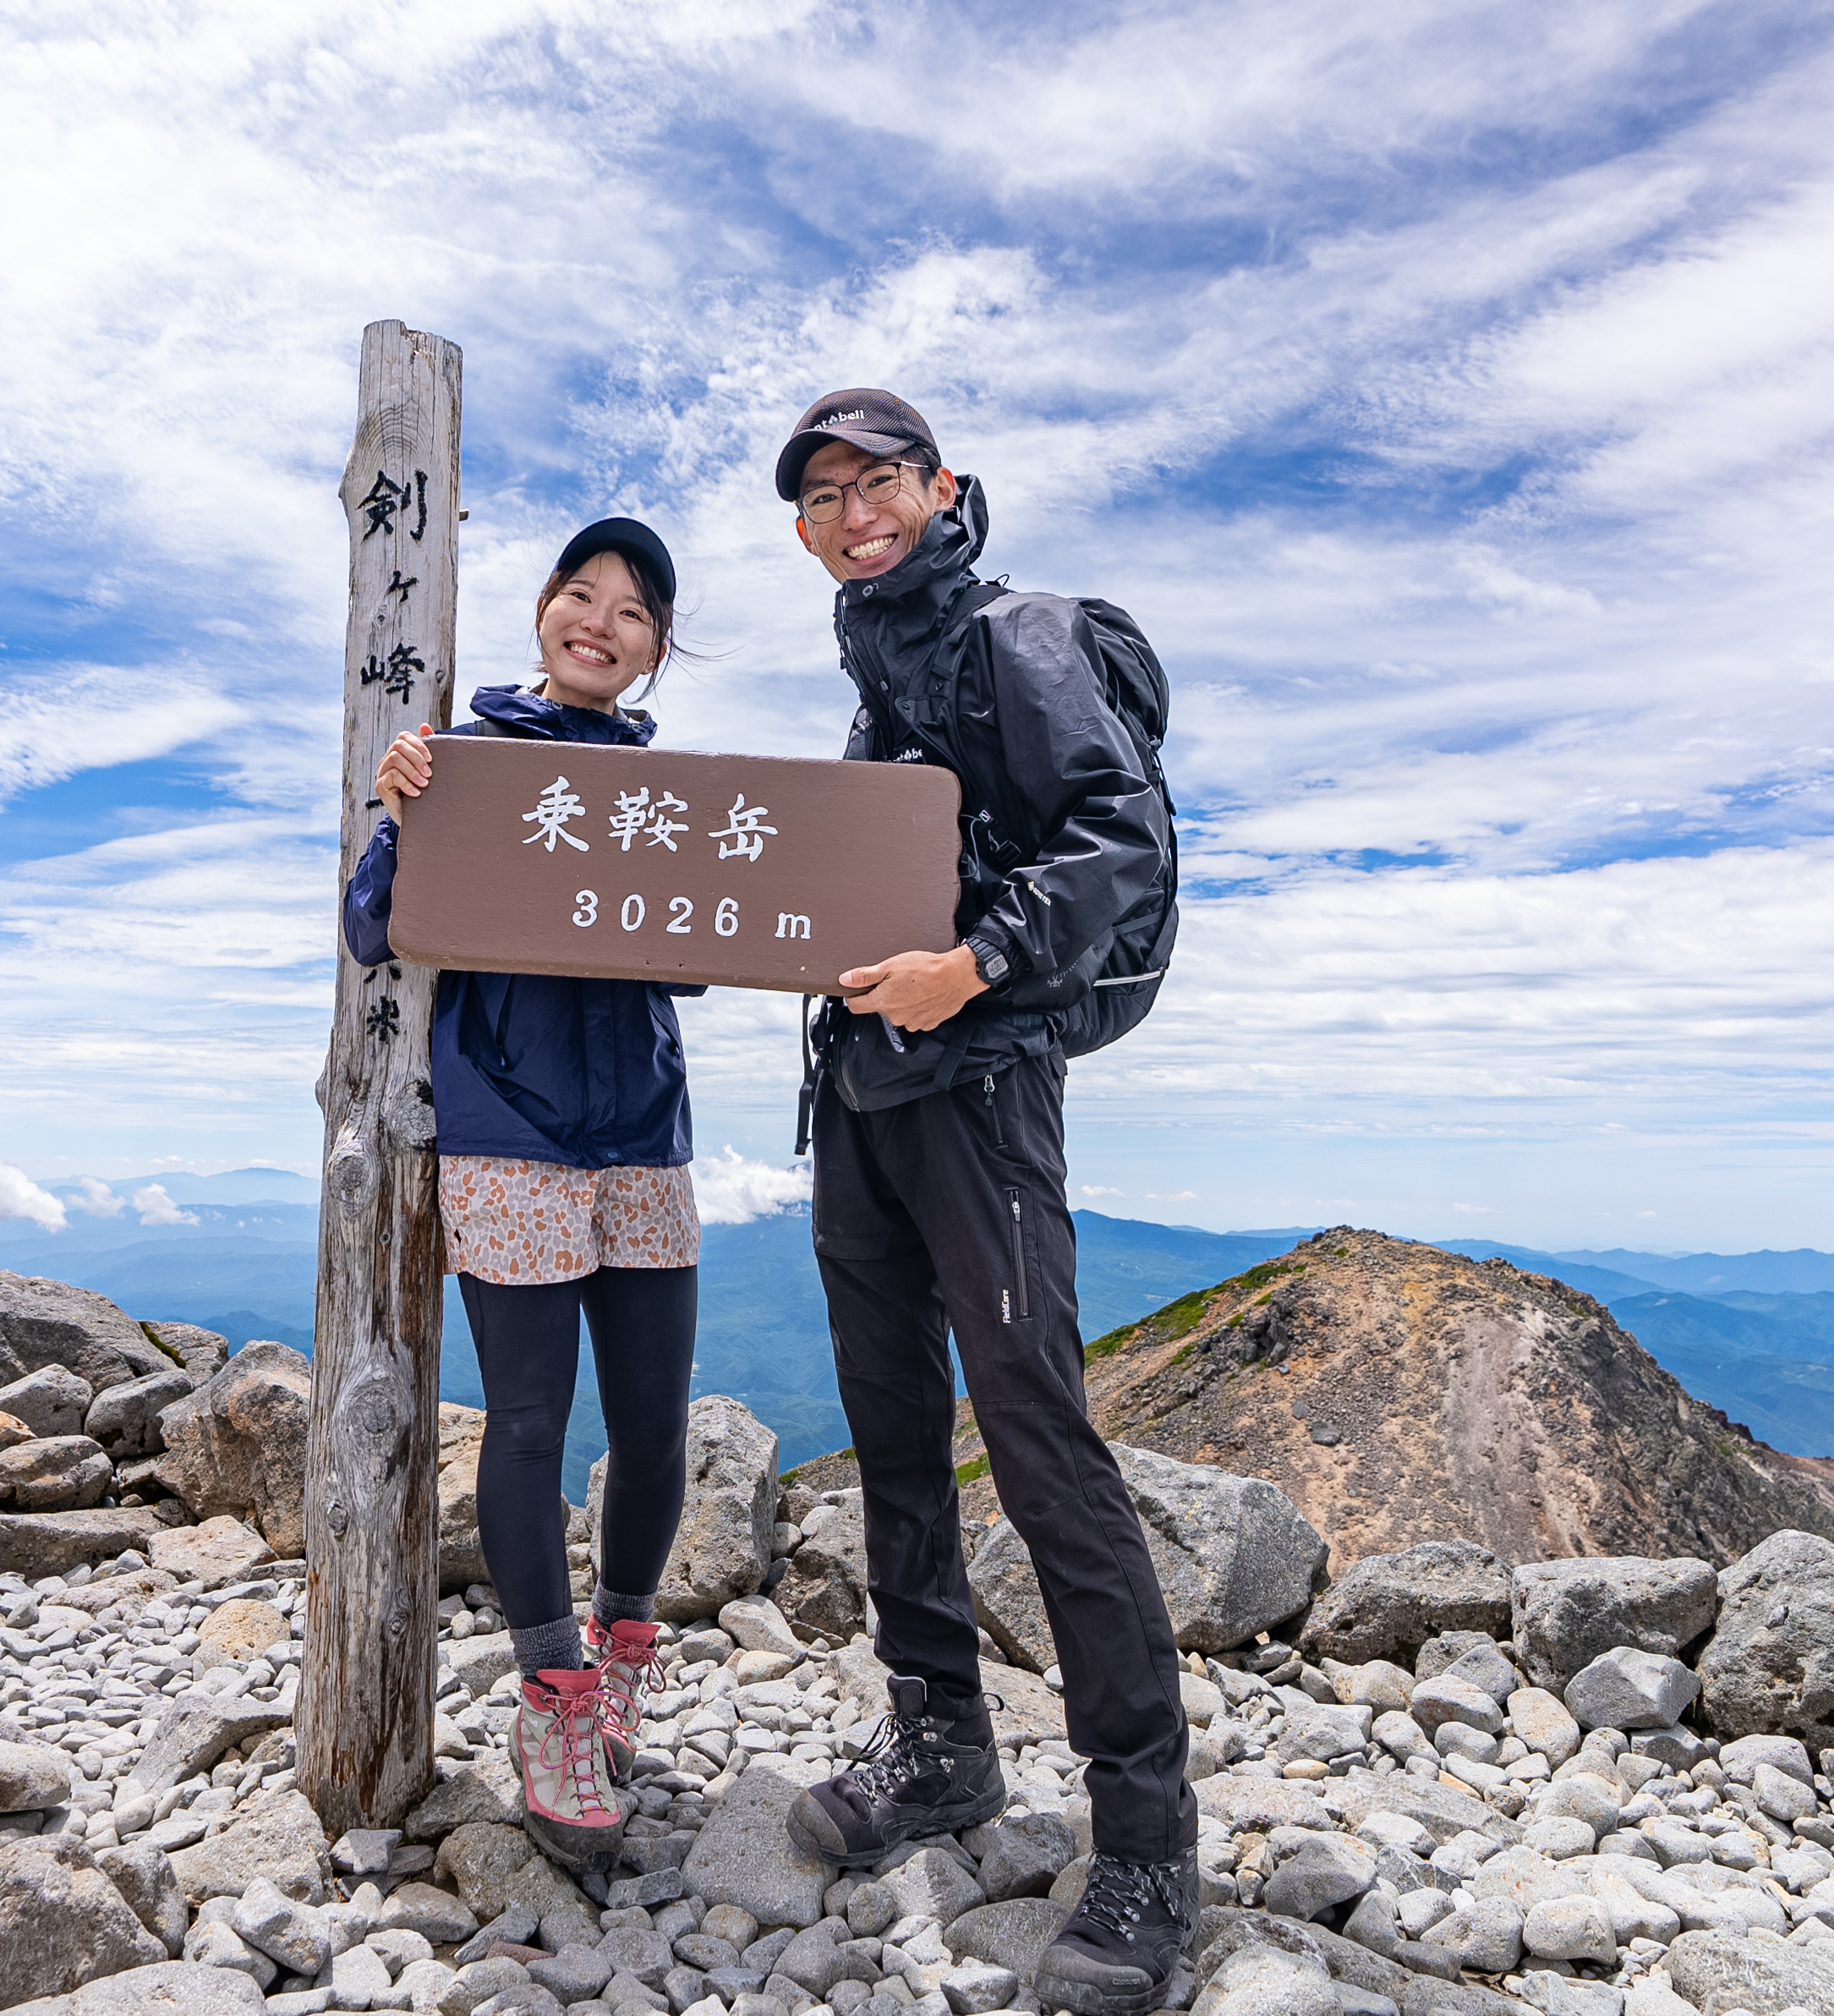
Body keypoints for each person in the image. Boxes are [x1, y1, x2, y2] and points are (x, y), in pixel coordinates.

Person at [770, 391, 1196, 2014]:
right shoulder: (881, 686)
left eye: (878, 479)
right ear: (806, 533)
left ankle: (1147, 1843)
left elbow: (1122, 843)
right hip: (861, 1103)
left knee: (1038, 1439)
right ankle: (941, 1744)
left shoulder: (1021, 638)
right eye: (823, 494)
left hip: (985, 1098)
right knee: (894, 1428)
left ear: (940, 489)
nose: (855, 509)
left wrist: (980, 966)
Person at [342, 517, 702, 1876]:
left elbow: (702, 957)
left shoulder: (680, 797)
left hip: (645, 1139)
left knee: (657, 1422)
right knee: (535, 1419)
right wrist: (401, 811)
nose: (600, 621)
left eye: (632, 610)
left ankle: (621, 1655)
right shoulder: (467, 767)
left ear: (658, 648)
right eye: (579, 594)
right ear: (543, 611)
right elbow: (380, 931)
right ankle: (551, 1707)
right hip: (507, 1138)